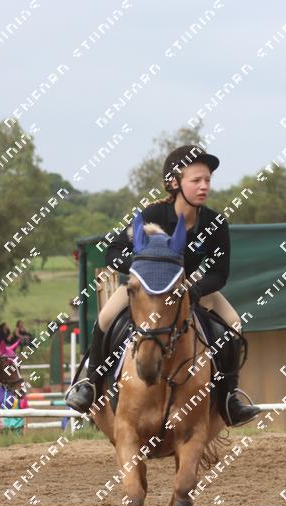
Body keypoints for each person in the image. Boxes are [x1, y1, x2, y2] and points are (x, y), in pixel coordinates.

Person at [66, 144, 260, 426]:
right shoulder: (153, 215)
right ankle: (91, 386)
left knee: (234, 324)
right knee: (105, 318)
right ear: (175, 183)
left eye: (207, 180)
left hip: (190, 288)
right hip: (145, 290)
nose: (204, 186)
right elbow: (113, 253)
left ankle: (230, 398)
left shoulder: (216, 223)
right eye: (196, 180)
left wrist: (194, 290)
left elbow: (219, 273)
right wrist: (143, 268)